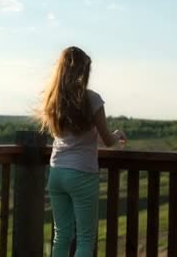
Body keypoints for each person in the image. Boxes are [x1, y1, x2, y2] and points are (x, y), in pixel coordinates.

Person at [38, 46, 127, 257]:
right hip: (81, 173)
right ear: (83, 70)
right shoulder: (92, 99)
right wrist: (118, 134)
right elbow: (107, 140)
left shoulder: (53, 100)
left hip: (56, 171)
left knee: (61, 235)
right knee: (85, 239)